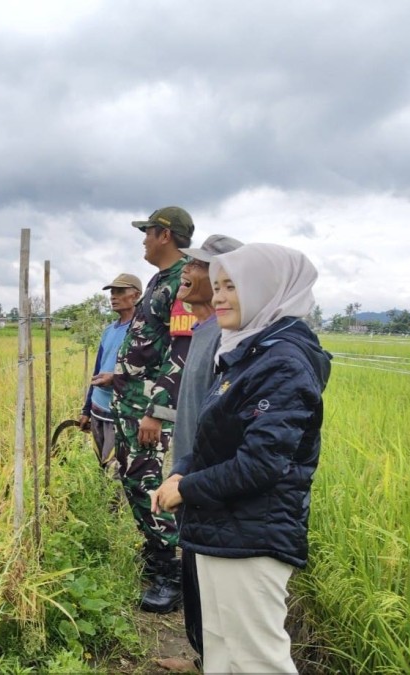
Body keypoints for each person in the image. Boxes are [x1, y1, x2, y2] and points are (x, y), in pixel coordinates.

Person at [153, 243, 332, 673]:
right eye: (217, 287)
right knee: (222, 652)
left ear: (265, 288)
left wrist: (185, 487)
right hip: (222, 526)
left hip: (252, 535)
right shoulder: (246, 352)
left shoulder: (283, 362)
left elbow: (261, 463)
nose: (218, 297)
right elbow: (219, 439)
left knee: (256, 661)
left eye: (231, 286)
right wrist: (182, 470)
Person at [103, 205, 193, 613]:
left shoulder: (184, 281)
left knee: (147, 483)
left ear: (165, 235)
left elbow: (181, 351)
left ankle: (171, 573)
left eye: (148, 231)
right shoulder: (160, 279)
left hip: (147, 408)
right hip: (130, 401)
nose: (143, 239)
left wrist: (157, 411)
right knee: (134, 480)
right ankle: (157, 555)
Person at [165, 234, 244, 663]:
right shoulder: (205, 329)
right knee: (194, 571)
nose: (187, 271)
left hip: (208, 480)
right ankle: (201, 657)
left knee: (211, 581)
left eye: (198, 266)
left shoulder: (228, 335)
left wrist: (193, 475)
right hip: (193, 473)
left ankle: (207, 658)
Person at [78, 273, 142, 472]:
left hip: (121, 413)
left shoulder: (142, 332)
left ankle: (118, 504)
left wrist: (115, 380)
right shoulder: (109, 330)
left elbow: (148, 373)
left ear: (136, 296)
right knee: (101, 467)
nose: (113, 296)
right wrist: (86, 410)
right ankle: (104, 503)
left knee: (117, 470)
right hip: (98, 408)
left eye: (120, 291)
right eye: (112, 292)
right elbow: (98, 370)